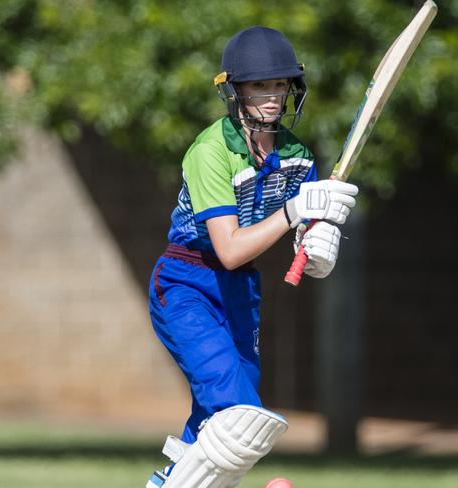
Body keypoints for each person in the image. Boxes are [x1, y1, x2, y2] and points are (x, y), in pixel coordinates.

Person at [146, 26, 358, 488]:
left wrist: (319, 246)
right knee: (237, 413)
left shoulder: (298, 157)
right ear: (235, 90)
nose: (273, 96)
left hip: (241, 288)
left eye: (280, 84)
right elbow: (229, 246)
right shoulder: (210, 151)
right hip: (186, 282)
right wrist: (296, 209)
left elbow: (304, 238)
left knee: (224, 421)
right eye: (261, 85)